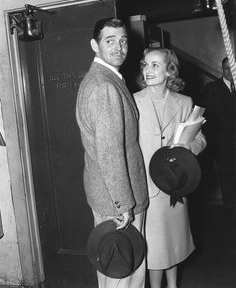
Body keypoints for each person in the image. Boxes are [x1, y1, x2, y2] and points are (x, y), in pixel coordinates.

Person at [75, 18, 148, 288]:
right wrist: (122, 204)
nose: (119, 47)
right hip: (116, 201)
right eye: (110, 40)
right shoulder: (104, 86)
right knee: (124, 275)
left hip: (110, 195)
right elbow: (110, 153)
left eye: (123, 40)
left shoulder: (107, 79)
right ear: (95, 45)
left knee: (116, 273)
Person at [133, 47, 206, 288]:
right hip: (148, 187)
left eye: (155, 65)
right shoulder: (134, 101)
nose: (148, 70)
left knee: (175, 243)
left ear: (169, 71)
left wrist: (187, 149)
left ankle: (173, 286)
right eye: (146, 64)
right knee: (155, 247)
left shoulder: (185, 102)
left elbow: (200, 138)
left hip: (175, 183)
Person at [201, 57, 236, 229]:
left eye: (232, 68)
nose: (229, 72)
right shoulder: (212, 88)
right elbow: (207, 117)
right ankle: (231, 209)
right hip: (223, 142)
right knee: (227, 175)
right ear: (222, 70)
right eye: (226, 68)